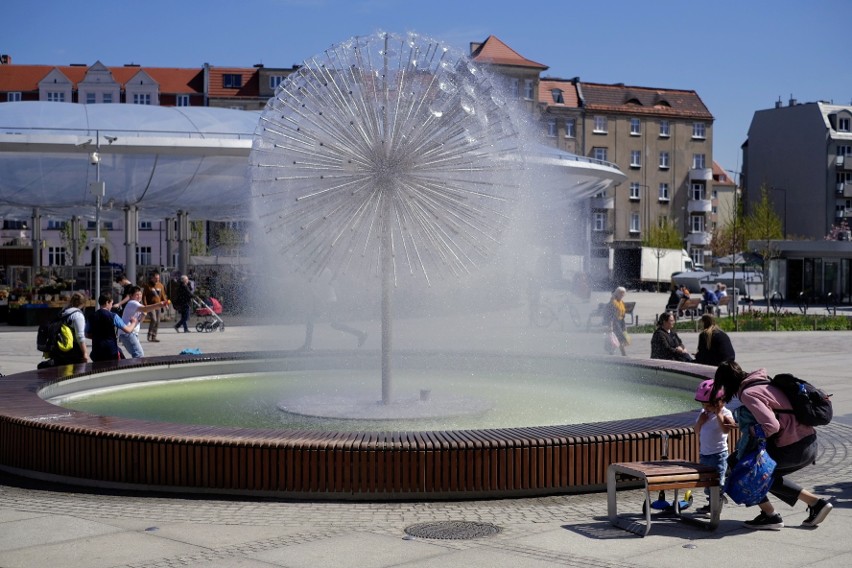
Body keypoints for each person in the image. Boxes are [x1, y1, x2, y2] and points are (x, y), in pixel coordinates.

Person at [713, 361, 833, 530]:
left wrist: (751, 430)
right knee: (765, 475)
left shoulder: (749, 393)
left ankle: (776, 515)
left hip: (793, 446)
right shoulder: (762, 382)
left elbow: (771, 426)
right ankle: (809, 506)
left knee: (751, 473)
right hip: (807, 441)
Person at [693, 379, 736, 514]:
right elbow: (696, 431)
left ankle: (716, 505)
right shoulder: (703, 413)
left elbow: (725, 430)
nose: (706, 408)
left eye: (709, 405)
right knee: (707, 482)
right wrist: (700, 421)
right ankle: (712, 503)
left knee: (717, 481)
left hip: (718, 454)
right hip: (704, 453)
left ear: (719, 402)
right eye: (703, 404)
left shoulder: (726, 413)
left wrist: (719, 415)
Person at [299, 269, 367, 351]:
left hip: (327, 300)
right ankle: (360, 334)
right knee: (333, 324)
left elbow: (320, 286)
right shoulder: (323, 270)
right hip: (328, 299)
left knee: (313, 321)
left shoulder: (322, 270)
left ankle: (307, 345)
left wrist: (310, 281)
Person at [86, 293, 140, 361]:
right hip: (111, 351)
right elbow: (128, 330)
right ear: (107, 302)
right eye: (111, 303)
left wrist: (99, 337)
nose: (112, 305)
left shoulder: (91, 316)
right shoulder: (113, 316)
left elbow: (87, 334)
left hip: (97, 350)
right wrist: (134, 322)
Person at [119, 286, 169, 358]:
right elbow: (145, 308)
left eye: (140, 294)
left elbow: (139, 321)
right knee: (139, 354)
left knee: (138, 354)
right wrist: (159, 304)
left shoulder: (137, 305)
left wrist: (143, 315)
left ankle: (134, 367)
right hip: (127, 334)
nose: (139, 296)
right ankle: (135, 368)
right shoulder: (132, 303)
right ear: (131, 296)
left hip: (131, 333)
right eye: (137, 295)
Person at [51, 292, 89, 365]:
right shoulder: (77, 315)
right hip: (73, 349)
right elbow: (80, 336)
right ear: (83, 303)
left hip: (61, 346)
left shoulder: (64, 311)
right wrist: (85, 353)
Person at [142, 271, 168, 342]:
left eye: (158, 278)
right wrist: (145, 305)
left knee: (158, 321)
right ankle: (149, 335)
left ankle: (154, 336)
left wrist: (166, 304)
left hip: (158, 305)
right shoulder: (148, 286)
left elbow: (163, 295)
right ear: (152, 278)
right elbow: (144, 296)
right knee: (154, 319)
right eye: (156, 278)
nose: (157, 280)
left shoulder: (161, 285)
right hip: (150, 306)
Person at [604, 286, 629, 356]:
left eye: (623, 294)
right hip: (614, 323)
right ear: (617, 293)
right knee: (619, 339)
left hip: (620, 322)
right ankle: (623, 355)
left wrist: (624, 326)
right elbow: (610, 315)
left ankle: (613, 353)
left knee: (617, 339)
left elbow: (623, 315)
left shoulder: (621, 302)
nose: (622, 295)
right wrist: (610, 326)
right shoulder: (613, 302)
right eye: (621, 294)